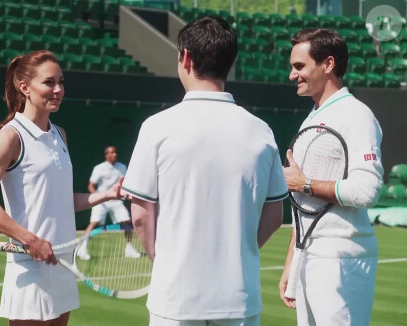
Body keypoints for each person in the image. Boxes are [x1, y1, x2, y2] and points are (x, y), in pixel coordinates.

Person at [121, 16, 288, 326]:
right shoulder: (261, 131)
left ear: (185, 57)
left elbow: (141, 215)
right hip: (240, 297)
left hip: (176, 299)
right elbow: (275, 215)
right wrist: (238, 251)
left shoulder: (156, 127)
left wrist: (166, 261)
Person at [0, 50, 125, 326]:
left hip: (62, 261)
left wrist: (106, 195)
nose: (58, 90)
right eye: (49, 83)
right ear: (25, 88)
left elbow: (61, 200)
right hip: (31, 268)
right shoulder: (10, 136)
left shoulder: (59, 134)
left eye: (61, 82)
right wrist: (30, 240)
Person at [279, 29, 384, 325]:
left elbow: (367, 190)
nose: (291, 75)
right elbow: (303, 206)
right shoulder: (312, 115)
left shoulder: (357, 115)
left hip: (342, 257)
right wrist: (293, 261)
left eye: (299, 66)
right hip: (310, 255)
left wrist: (305, 184)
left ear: (327, 64)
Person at [77, 146, 141, 260]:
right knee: (94, 223)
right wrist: (97, 196)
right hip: (101, 199)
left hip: (116, 200)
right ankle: (82, 248)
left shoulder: (122, 167)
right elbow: (90, 185)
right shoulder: (99, 168)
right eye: (111, 152)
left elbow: (125, 183)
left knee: (127, 222)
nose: (114, 154)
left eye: (115, 152)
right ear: (106, 155)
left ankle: (129, 248)